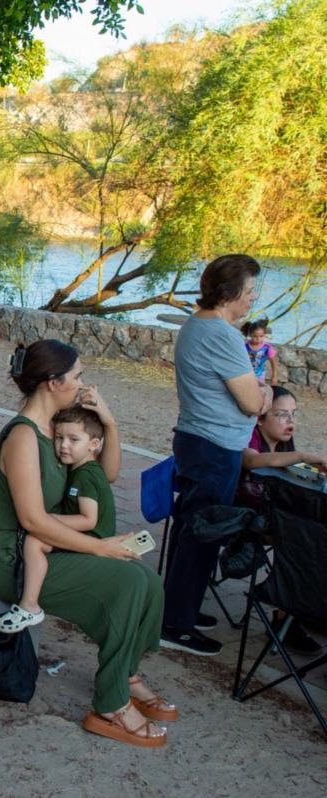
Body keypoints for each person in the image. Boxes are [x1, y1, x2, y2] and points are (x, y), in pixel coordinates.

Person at [0, 339, 172, 747]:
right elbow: (31, 519)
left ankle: (125, 673)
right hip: (12, 560)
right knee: (128, 581)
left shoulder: (61, 428)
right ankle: (110, 707)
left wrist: (110, 423)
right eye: (77, 375)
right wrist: (101, 547)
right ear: (52, 382)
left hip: (45, 548)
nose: (82, 383)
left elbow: (108, 475)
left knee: (148, 582)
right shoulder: (24, 437)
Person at [163, 254, 273, 656]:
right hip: (214, 446)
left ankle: (180, 607)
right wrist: (265, 395)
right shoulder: (223, 336)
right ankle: (175, 622)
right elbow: (250, 402)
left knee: (193, 528)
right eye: (249, 291)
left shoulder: (198, 324)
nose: (252, 299)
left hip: (199, 440)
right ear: (229, 294)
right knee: (202, 533)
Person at [0, 405, 112, 634]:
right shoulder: (79, 468)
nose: (64, 445)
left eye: (73, 439)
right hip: (85, 534)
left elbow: (88, 520)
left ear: (94, 444)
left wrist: (47, 519)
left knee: (34, 541)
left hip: (91, 536)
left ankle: (30, 604)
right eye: (59, 438)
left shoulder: (86, 475)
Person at [235, 386, 325, 656]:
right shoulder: (249, 437)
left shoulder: (285, 448)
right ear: (260, 417)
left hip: (280, 520)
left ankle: (303, 608)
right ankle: (287, 614)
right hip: (250, 520)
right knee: (310, 542)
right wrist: (303, 456)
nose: (291, 422)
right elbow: (252, 461)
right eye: (282, 415)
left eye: (294, 415)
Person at [242, 318, 278, 385]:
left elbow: (274, 363)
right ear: (250, 335)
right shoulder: (245, 347)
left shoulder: (267, 348)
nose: (258, 339)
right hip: (246, 375)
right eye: (255, 336)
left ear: (264, 335)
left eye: (261, 336)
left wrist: (274, 376)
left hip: (260, 376)